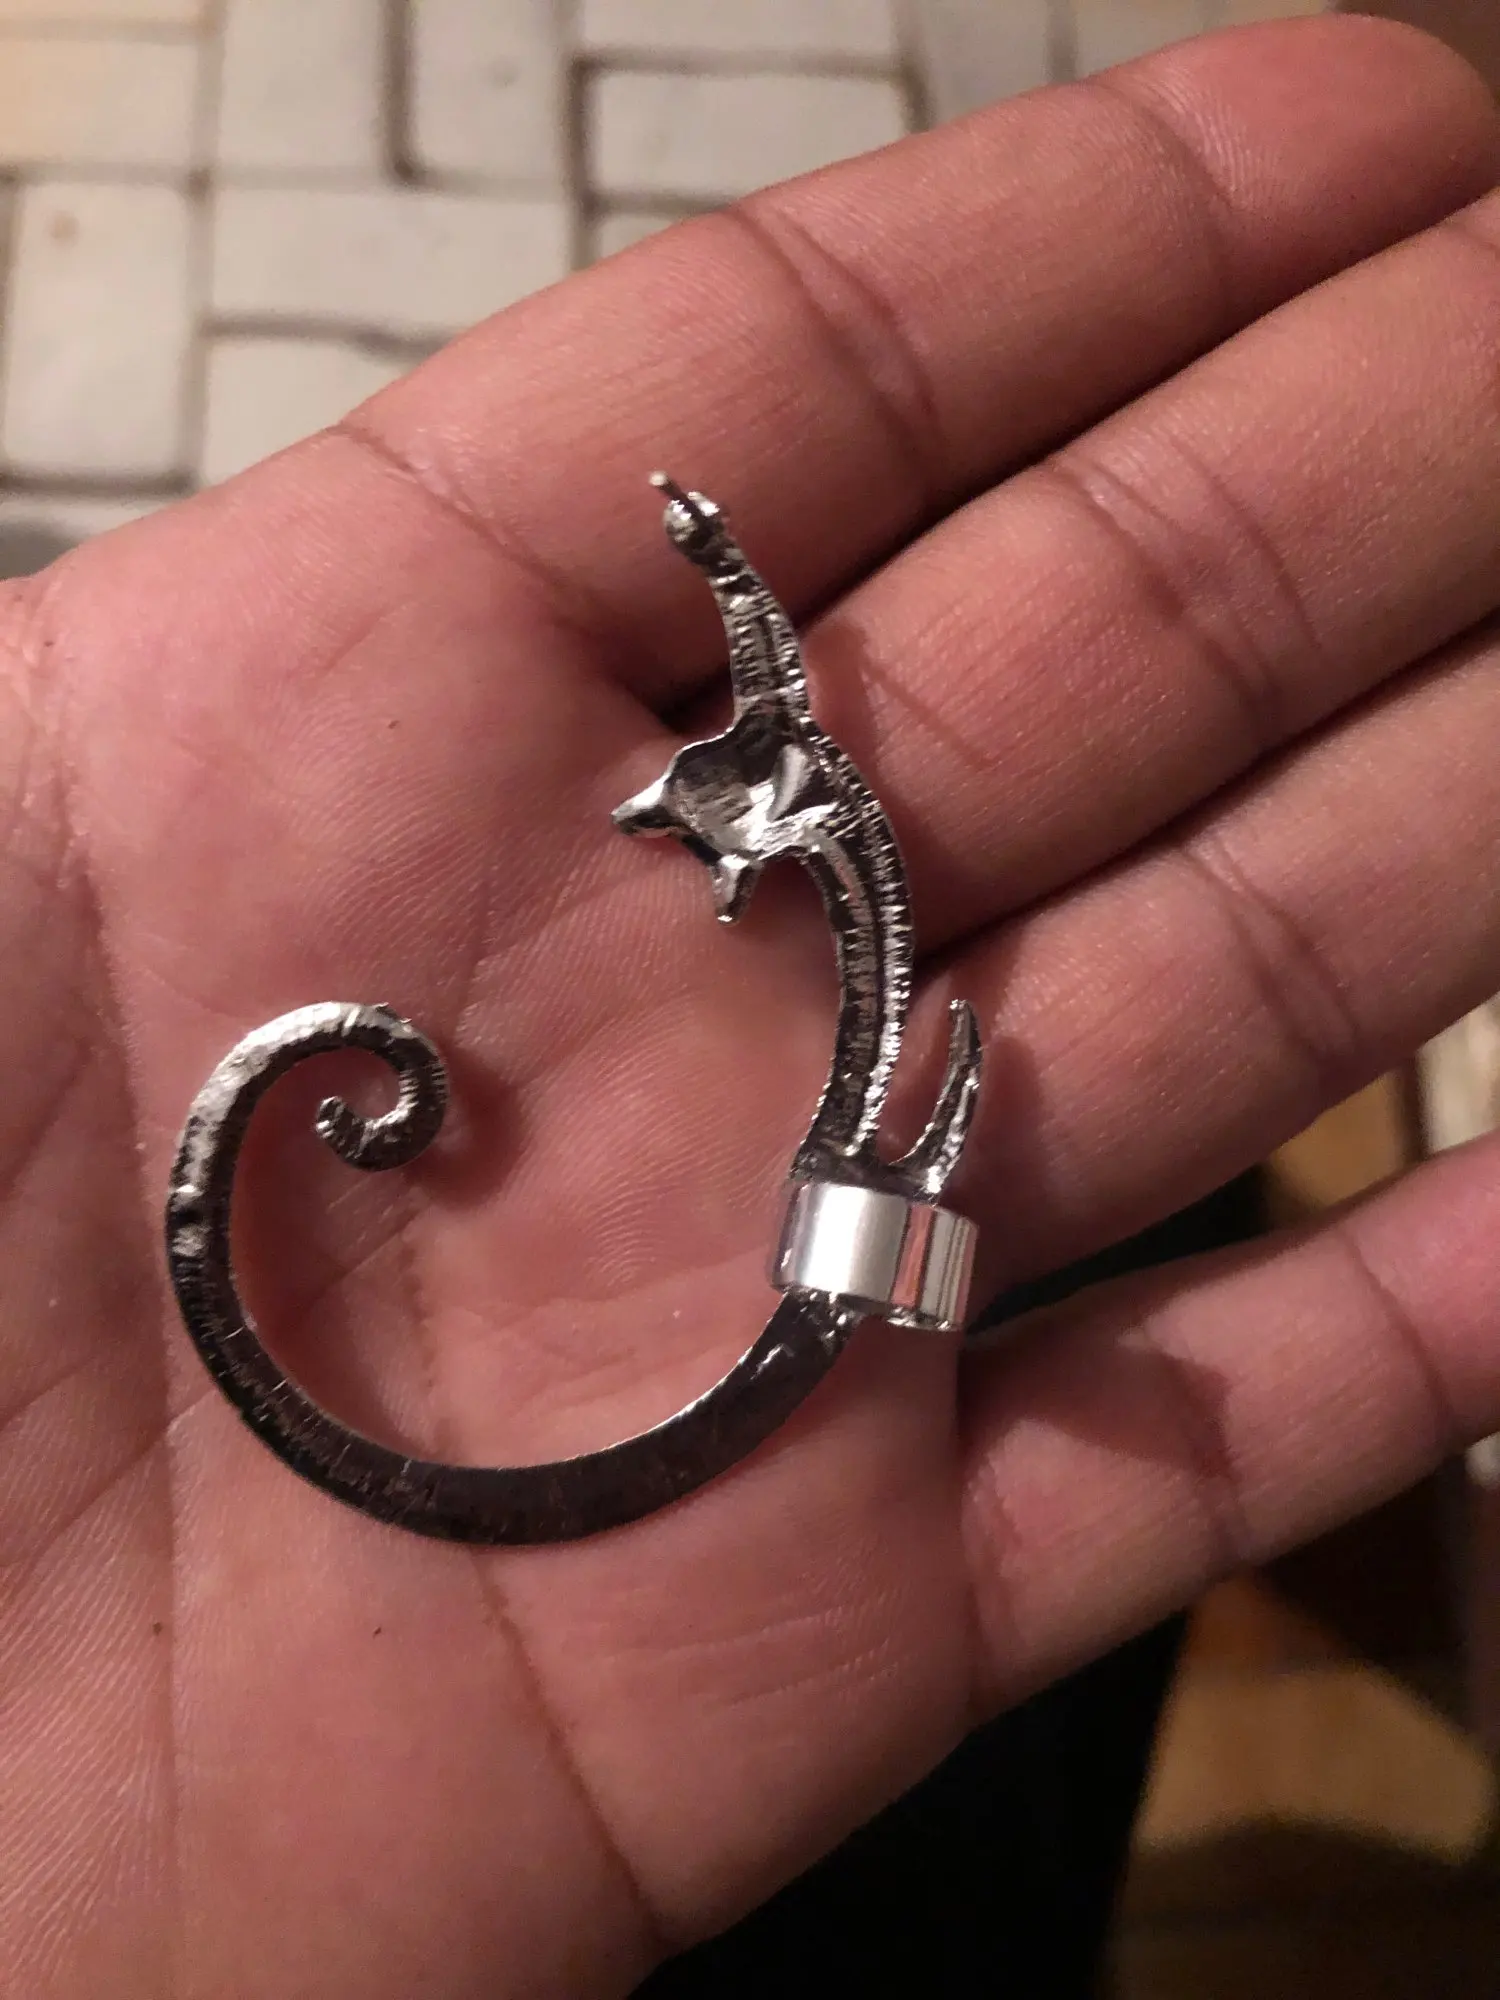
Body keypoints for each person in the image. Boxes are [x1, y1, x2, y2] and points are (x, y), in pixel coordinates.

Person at [5, 13, 1500, 1995]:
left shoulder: (805, 841)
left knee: (1100, 1226)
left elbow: (769, 704)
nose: (677, 817)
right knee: (1126, 1229)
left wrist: (722, 571)